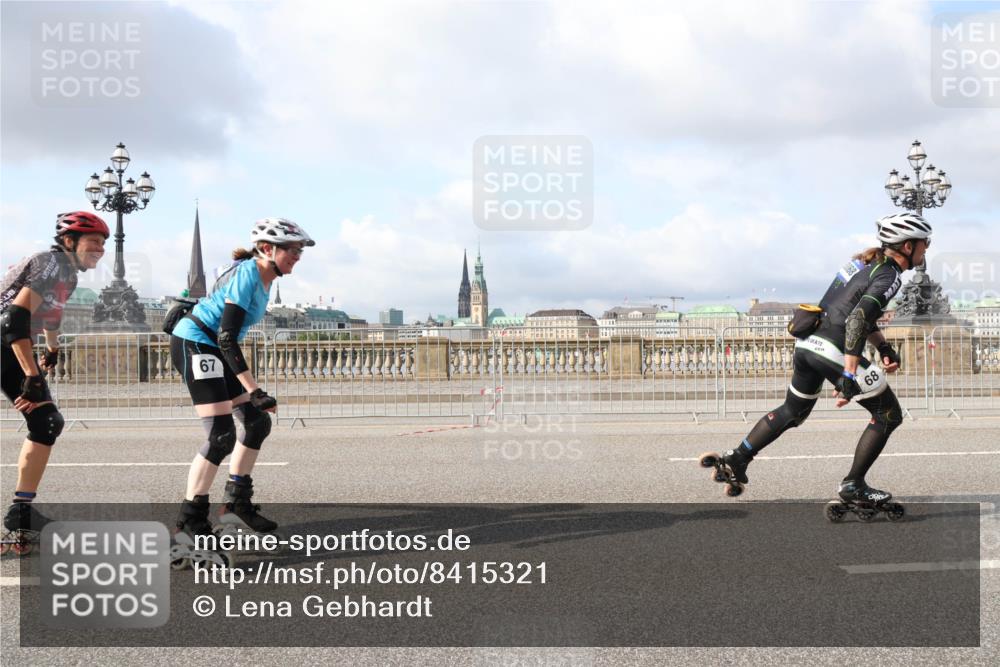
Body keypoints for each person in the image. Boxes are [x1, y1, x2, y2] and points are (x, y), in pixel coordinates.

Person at [720, 212, 932, 505]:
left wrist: (883, 347)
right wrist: (848, 373)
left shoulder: (862, 265)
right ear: (908, 246)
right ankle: (853, 485)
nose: (927, 248)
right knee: (888, 415)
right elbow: (857, 319)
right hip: (834, 347)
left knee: (793, 410)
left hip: (809, 343)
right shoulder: (890, 275)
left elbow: (847, 310)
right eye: (925, 243)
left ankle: (738, 457)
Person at [170, 217, 313, 545]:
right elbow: (227, 338)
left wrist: (254, 397)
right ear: (267, 249)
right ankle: (189, 522)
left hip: (211, 345)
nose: (297, 256)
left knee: (256, 422)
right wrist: (254, 389)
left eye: (299, 251)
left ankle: (236, 503)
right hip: (194, 342)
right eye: (292, 250)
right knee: (221, 436)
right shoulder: (250, 273)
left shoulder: (265, 278)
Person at [0, 212, 109, 548]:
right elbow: (13, 322)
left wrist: (52, 348)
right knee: (46, 420)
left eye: (104, 244)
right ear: (68, 241)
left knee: (46, 422)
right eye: (94, 242)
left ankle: (21, 511)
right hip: (5, 339)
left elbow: (51, 312)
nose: (100, 249)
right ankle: (21, 510)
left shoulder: (68, 275)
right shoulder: (49, 263)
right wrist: (32, 375)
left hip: (11, 343)